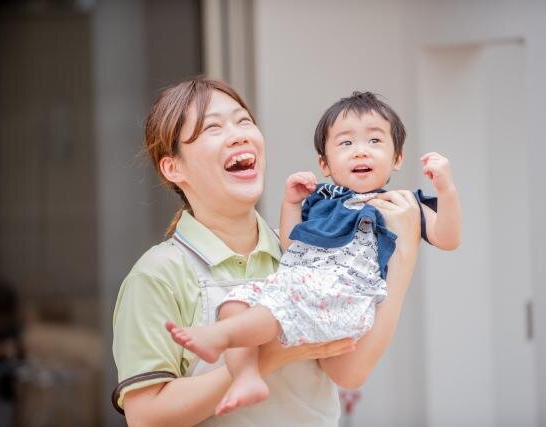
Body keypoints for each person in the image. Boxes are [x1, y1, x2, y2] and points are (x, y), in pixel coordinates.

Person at [166, 91, 462, 416]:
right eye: (346, 143)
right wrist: (291, 204)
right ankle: (246, 374)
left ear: (397, 158)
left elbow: (447, 238)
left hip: (345, 295)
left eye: (375, 141)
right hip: (300, 283)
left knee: (270, 310)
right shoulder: (320, 201)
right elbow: (293, 247)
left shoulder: (402, 205)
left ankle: (219, 337)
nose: (360, 151)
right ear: (324, 163)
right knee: (236, 301)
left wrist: (445, 189)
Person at [111, 77, 361, 427]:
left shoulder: (299, 251)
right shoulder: (158, 274)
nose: (240, 134)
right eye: (213, 127)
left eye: (244, 121)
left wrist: (404, 249)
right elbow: (147, 416)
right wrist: (267, 358)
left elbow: (349, 365)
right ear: (173, 167)